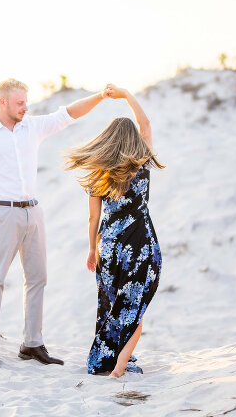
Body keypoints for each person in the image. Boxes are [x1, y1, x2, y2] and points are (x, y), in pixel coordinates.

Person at [0, 78, 110, 370]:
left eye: (26, 102)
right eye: (20, 103)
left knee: (38, 277)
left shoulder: (32, 127)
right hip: (2, 213)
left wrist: (101, 95)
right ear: (2, 102)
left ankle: (32, 344)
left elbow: (68, 114)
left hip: (33, 212)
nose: (25, 107)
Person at [65, 85, 164, 377]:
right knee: (134, 305)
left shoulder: (99, 174)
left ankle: (106, 360)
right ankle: (119, 367)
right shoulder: (142, 164)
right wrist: (126, 95)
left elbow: (92, 218)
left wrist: (93, 249)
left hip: (109, 246)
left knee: (110, 306)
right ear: (133, 140)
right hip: (140, 244)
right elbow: (145, 125)